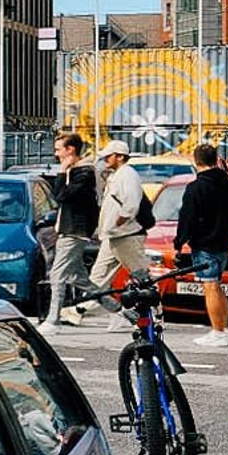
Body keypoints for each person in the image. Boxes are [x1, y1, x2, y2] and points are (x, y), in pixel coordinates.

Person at [174, 141, 228, 348]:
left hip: (204, 243)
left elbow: (187, 218)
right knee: (217, 285)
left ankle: (218, 332)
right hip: (225, 241)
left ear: (196, 161)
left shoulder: (195, 187)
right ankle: (223, 327)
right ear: (215, 160)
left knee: (210, 286)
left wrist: (179, 243)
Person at [83, 140, 151, 329]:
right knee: (98, 276)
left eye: (109, 155)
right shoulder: (117, 175)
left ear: (120, 156)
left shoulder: (127, 175)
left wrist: (120, 221)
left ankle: (153, 315)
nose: (105, 159)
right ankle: (99, 310)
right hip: (114, 235)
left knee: (141, 277)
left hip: (126, 235)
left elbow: (131, 203)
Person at [41, 131, 99, 330]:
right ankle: (122, 312)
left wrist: (62, 171)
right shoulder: (75, 172)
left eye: (59, 150)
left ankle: (53, 320)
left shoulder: (84, 173)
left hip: (75, 231)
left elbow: (61, 196)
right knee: (79, 279)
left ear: (70, 149)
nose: (56, 154)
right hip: (68, 229)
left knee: (57, 275)